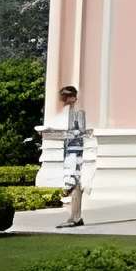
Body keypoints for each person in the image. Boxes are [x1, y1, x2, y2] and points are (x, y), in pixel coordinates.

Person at [51, 84, 86, 227]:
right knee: (70, 181)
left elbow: (82, 131)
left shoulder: (79, 111)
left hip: (76, 150)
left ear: (72, 97)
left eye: (65, 97)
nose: (63, 101)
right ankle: (74, 216)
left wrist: (67, 134)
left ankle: (75, 217)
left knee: (74, 182)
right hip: (68, 149)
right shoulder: (69, 111)